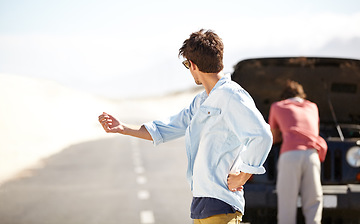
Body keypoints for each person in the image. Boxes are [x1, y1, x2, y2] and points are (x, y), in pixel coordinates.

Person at [99, 29, 273, 224]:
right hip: (201, 203)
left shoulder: (231, 95)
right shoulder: (201, 102)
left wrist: (243, 176)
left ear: (193, 65)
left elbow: (262, 135)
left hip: (221, 203)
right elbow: (165, 128)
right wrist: (123, 128)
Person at [268, 80, 327, 224]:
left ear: (284, 96)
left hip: (290, 155)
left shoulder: (277, 106)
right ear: (301, 95)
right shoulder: (313, 107)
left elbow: (273, 137)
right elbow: (314, 130)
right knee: (313, 199)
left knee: (287, 201)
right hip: (312, 155)